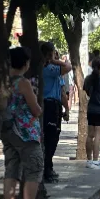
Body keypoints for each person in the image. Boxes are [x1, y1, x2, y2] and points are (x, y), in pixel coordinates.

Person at [2, 47, 49, 199]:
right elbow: (35, 109)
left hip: (8, 132)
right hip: (25, 132)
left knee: (11, 170)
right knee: (34, 169)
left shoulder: (4, 81)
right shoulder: (23, 83)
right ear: (26, 63)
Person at [40, 42, 72, 184]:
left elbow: (62, 93)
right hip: (50, 106)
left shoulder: (47, 70)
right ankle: (46, 169)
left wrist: (66, 109)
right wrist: (52, 59)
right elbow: (69, 66)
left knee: (49, 138)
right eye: (54, 53)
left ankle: (48, 167)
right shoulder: (50, 69)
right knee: (50, 139)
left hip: (52, 105)